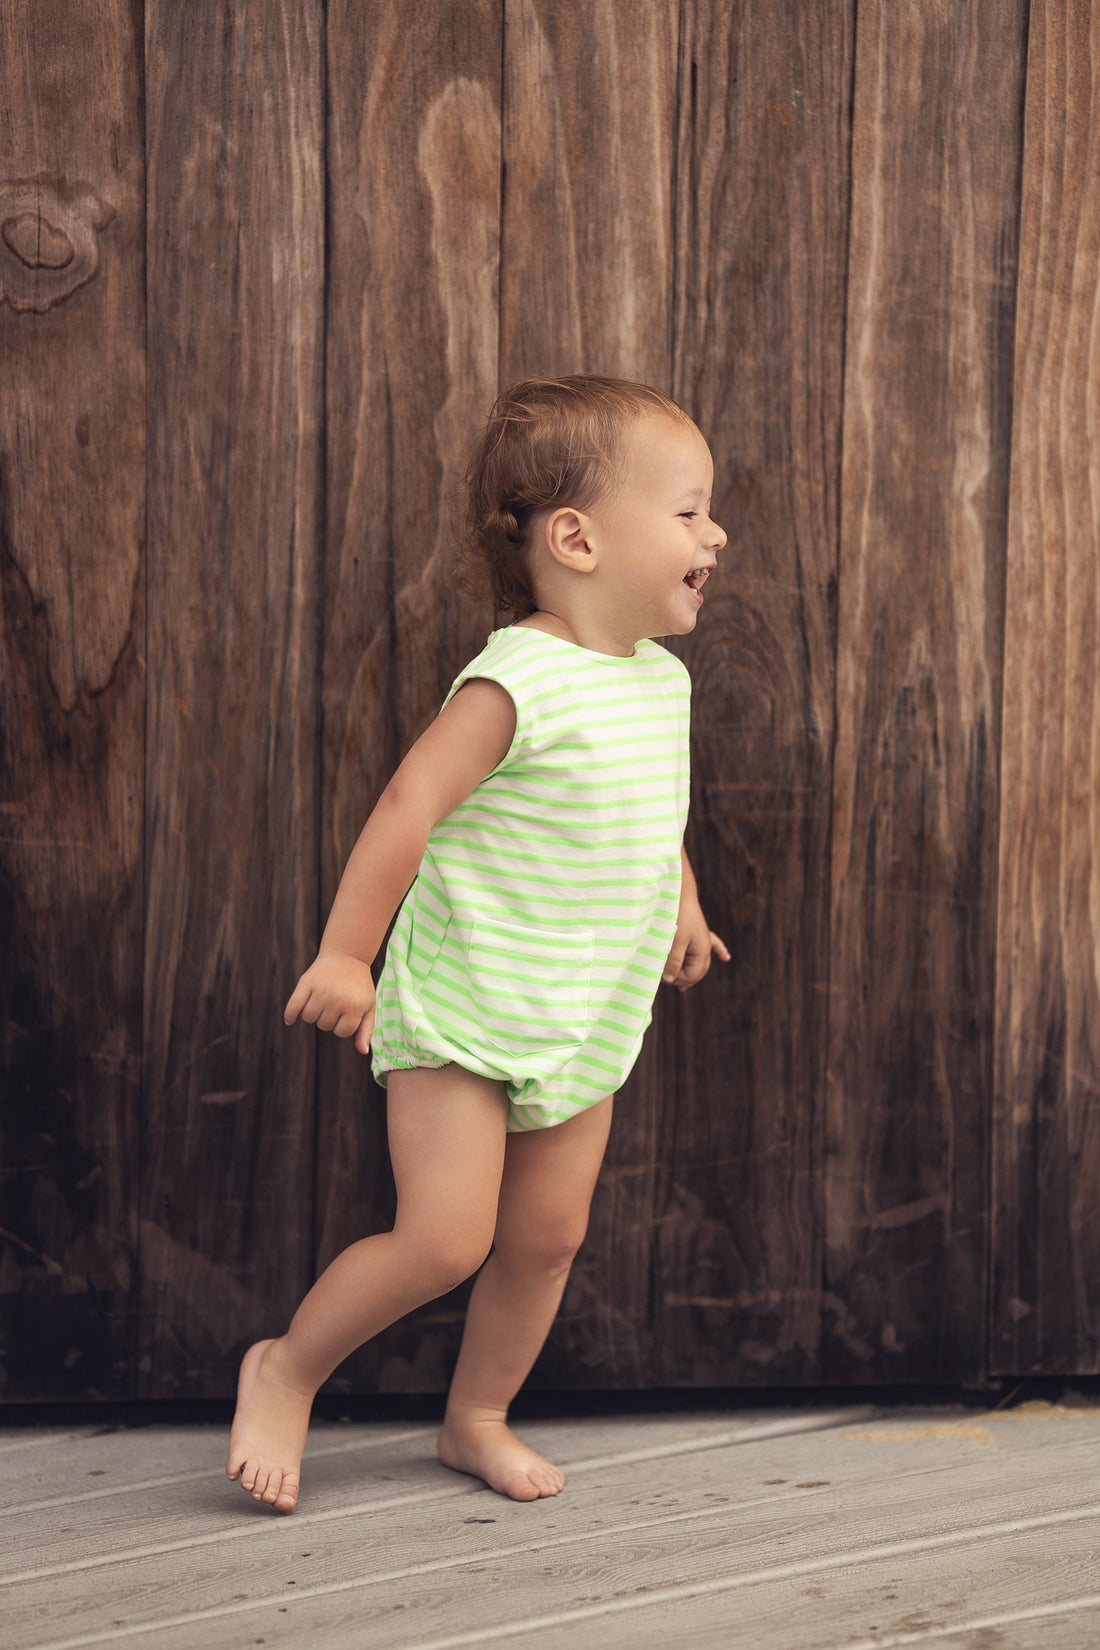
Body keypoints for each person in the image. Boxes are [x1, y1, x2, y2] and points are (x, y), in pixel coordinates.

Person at [227, 374, 730, 1514]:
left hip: (584, 1011)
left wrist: (680, 898)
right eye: (690, 511)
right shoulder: (518, 677)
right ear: (576, 538)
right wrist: (347, 956)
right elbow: (408, 806)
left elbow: (650, 810)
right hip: (466, 1002)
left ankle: (475, 1419)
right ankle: (286, 1369)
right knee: (445, 1239)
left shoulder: (659, 683)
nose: (715, 535)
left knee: (545, 1240)